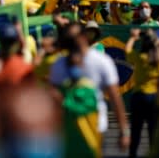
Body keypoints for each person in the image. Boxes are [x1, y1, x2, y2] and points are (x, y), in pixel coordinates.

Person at [50, 22, 130, 153]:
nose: (72, 44)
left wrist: (124, 131)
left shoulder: (102, 61)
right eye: (68, 41)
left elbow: (115, 97)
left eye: (74, 39)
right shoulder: (59, 64)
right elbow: (53, 98)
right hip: (67, 129)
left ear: (83, 37)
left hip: (95, 127)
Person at [125, 28, 159, 158]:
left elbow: (127, 51)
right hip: (154, 97)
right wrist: (156, 39)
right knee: (153, 131)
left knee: (136, 130)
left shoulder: (140, 57)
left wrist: (133, 37)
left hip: (139, 96)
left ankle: (132, 154)